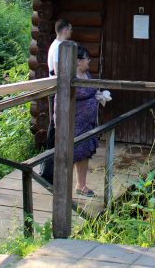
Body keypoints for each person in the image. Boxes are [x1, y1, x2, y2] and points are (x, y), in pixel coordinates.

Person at [42, 19, 72, 184]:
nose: (71, 32)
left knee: (54, 128)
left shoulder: (56, 45)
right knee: (54, 128)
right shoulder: (59, 46)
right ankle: (48, 171)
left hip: (57, 90)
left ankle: (51, 169)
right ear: (65, 30)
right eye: (70, 29)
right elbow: (57, 70)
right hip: (57, 91)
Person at [70, 44, 99, 196]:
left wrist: (99, 96)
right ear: (78, 61)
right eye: (87, 59)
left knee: (86, 153)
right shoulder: (70, 77)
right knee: (76, 153)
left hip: (89, 122)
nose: (89, 62)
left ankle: (81, 185)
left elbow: (92, 91)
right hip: (76, 122)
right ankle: (73, 186)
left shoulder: (87, 75)